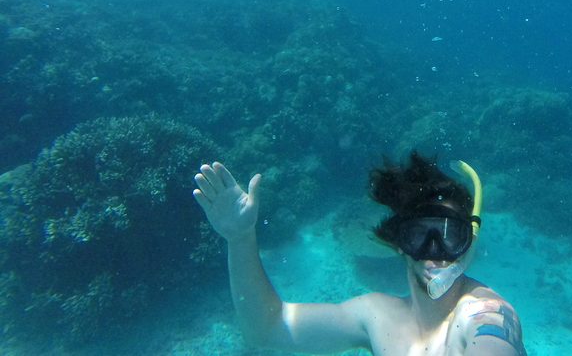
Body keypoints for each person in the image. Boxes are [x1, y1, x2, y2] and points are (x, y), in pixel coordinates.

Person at [193, 151, 527, 356]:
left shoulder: (485, 313)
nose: (434, 253)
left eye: (448, 235)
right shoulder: (376, 316)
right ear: (399, 242)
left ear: (469, 241)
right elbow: (265, 328)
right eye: (417, 235)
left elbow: (494, 340)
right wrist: (240, 239)